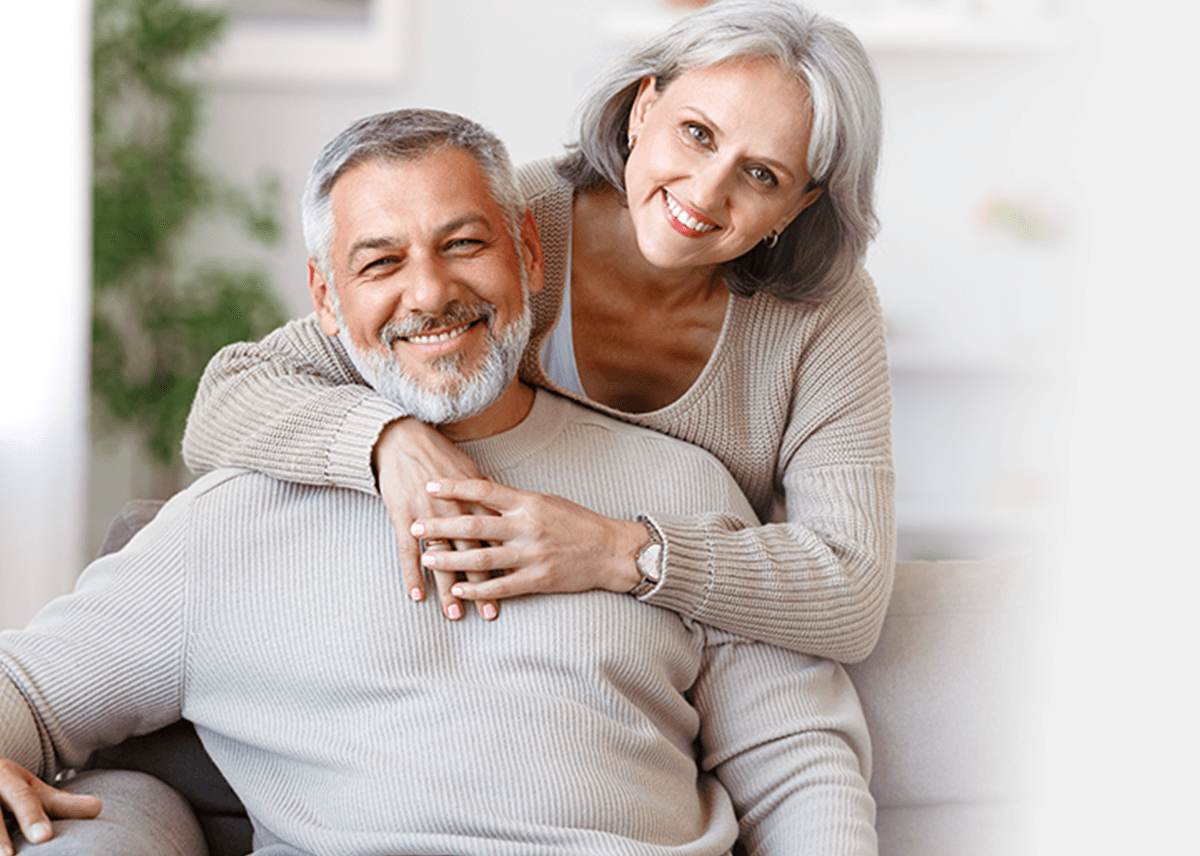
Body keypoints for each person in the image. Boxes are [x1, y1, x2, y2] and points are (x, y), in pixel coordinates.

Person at [0, 109, 875, 856]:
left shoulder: (683, 492)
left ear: (529, 255)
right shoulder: (229, 523)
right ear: (326, 300)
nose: (430, 290)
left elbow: (800, 764)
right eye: (380, 263)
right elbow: (29, 691)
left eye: (464, 245)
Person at [181, 0, 895, 662]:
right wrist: (384, 441)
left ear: (797, 207)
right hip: (515, 632)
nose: (706, 193)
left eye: (762, 175)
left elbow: (854, 595)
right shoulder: (510, 226)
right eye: (697, 133)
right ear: (644, 108)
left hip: (705, 643)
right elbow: (231, 394)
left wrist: (620, 551)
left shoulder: (825, 315)